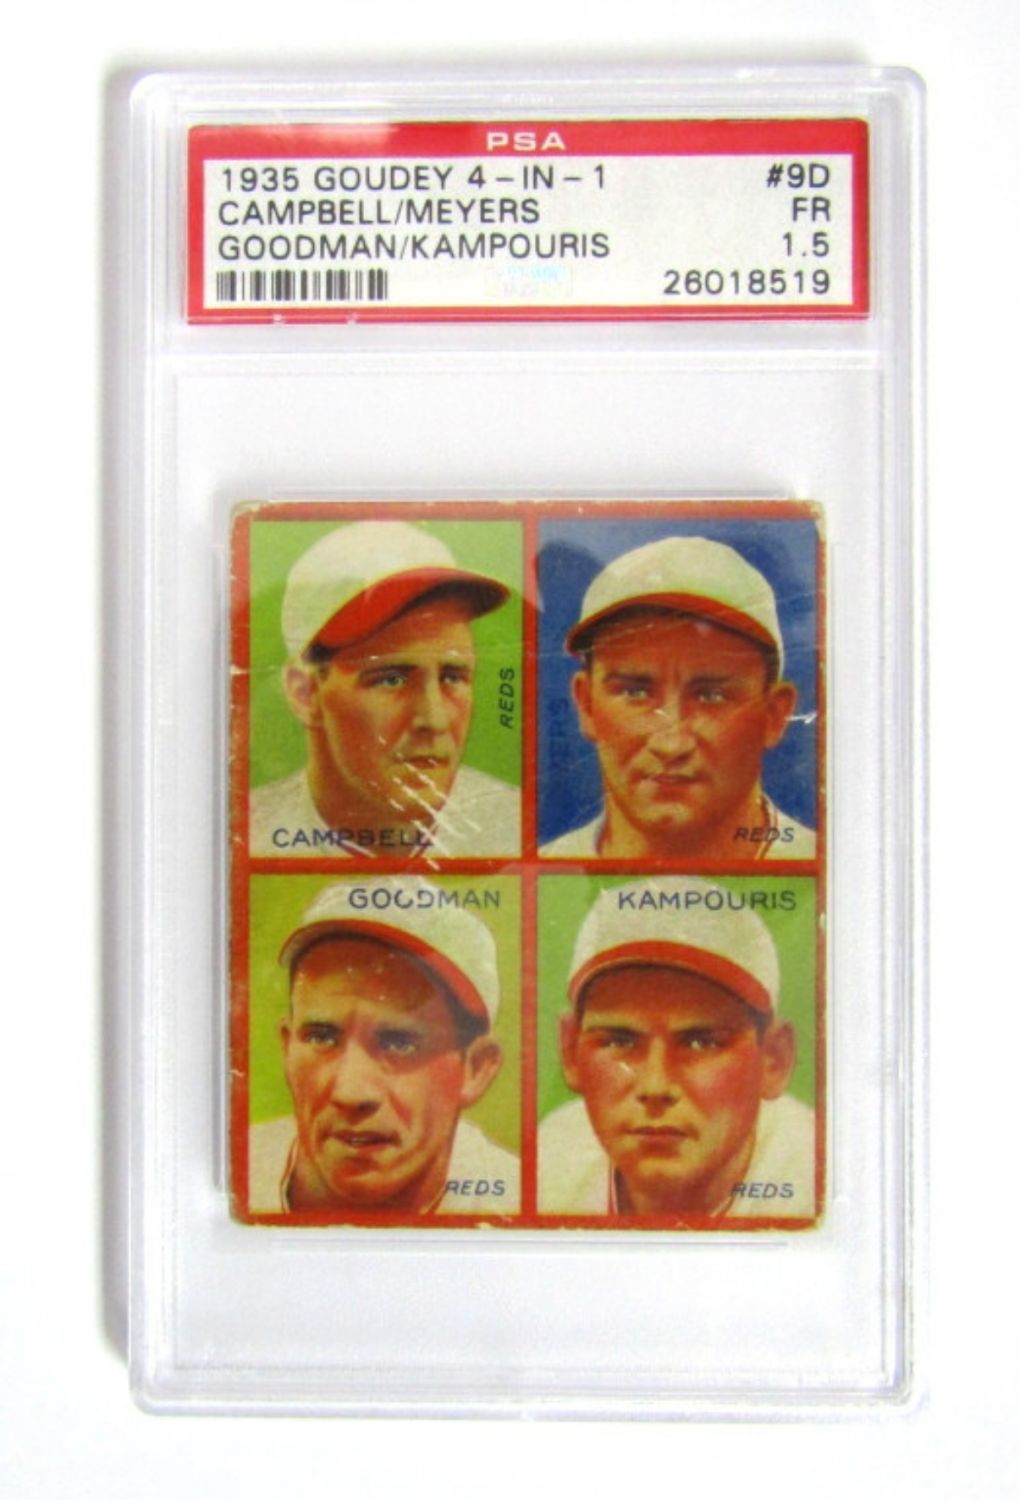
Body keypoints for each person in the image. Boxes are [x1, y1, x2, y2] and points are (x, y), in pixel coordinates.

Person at [538, 877, 816, 1220]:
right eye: (620, 1041)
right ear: (570, 1051)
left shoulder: (818, 1180)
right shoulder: (553, 1162)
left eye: (701, 1042)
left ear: (774, 1060)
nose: (656, 1086)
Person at [248, 877, 519, 1215]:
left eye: (399, 1043)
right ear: (288, 1048)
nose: (350, 1093)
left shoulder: (517, 1203)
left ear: (475, 1069)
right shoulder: (237, 1171)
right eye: (321, 1037)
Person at [250, 520, 520, 857]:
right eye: (392, 679)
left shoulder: (516, 829)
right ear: (305, 693)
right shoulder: (247, 835)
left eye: (452, 677)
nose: (434, 720)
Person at [539, 535, 815, 860]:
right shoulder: (546, 868)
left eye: (711, 696)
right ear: (586, 705)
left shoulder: (835, 870)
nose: (670, 745)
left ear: (774, 715)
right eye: (635, 692)